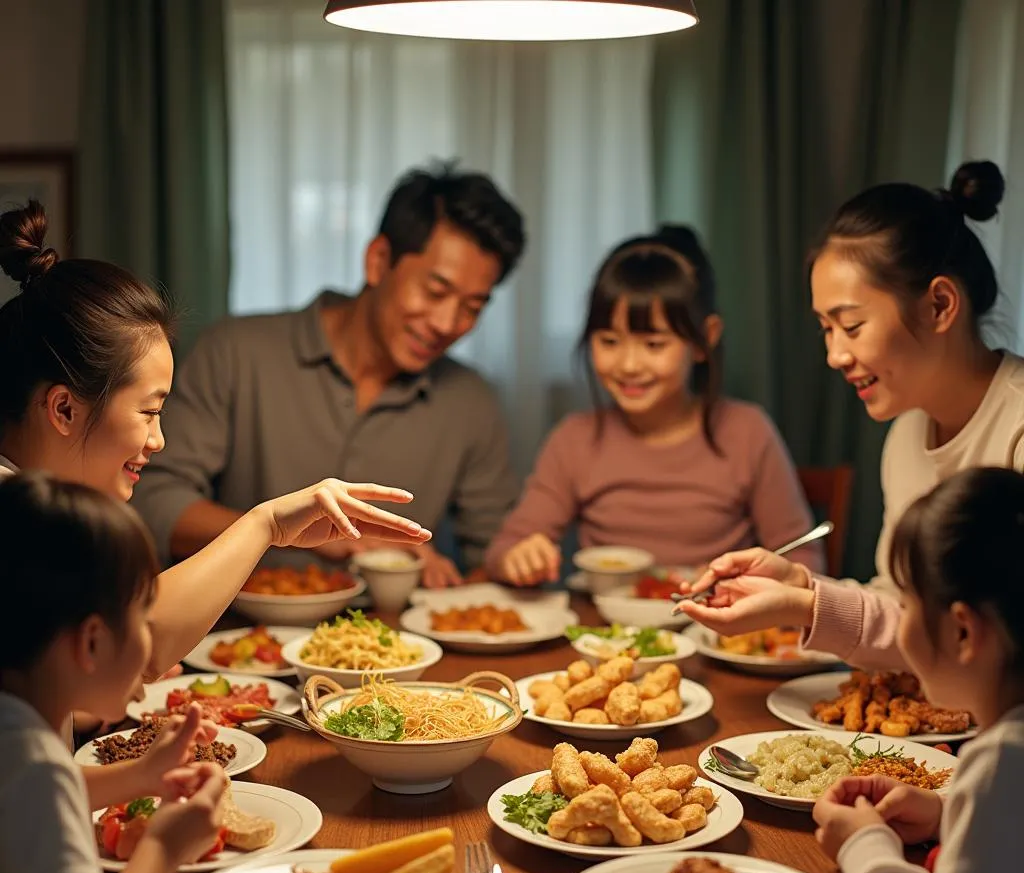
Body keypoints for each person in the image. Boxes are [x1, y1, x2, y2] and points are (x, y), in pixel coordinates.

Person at [0, 199, 431, 734]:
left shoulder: (40, 508)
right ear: (64, 408)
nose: (159, 440)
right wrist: (266, 524)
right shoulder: (18, 519)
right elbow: (143, 641)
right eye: (150, 412)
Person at [674, 161, 1024, 670]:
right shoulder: (908, 432)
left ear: (941, 305)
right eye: (825, 329)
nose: (834, 355)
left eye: (852, 326)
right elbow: (905, 608)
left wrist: (807, 603)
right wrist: (799, 586)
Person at [131, 162, 526, 589]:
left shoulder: (470, 401)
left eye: (473, 307)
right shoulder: (237, 352)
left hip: (391, 645)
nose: (448, 323)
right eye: (435, 292)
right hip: (236, 639)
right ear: (378, 261)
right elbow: (154, 503)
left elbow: (495, 552)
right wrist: (295, 533)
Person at [0, 473, 231, 873]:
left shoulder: (16, 738)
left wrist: (140, 775)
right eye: (144, 617)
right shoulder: (32, 760)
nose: (153, 642)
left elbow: (26, 809)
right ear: (94, 642)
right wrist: (165, 849)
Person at [484, 226, 823, 586]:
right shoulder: (575, 440)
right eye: (610, 341)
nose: (629, 364)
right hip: (605, 636)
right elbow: (505, 548)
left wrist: (780, 582)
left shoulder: (747, 432)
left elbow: (801, 556)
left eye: (654, 344)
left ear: (703, 340)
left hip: (715, 628)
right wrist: (518, 559)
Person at [812, 467, 1024, 873]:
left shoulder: (1005, 761)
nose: (899, 624)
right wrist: (948, 813)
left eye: (905, 606)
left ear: (961, 631)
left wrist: (865, 847)